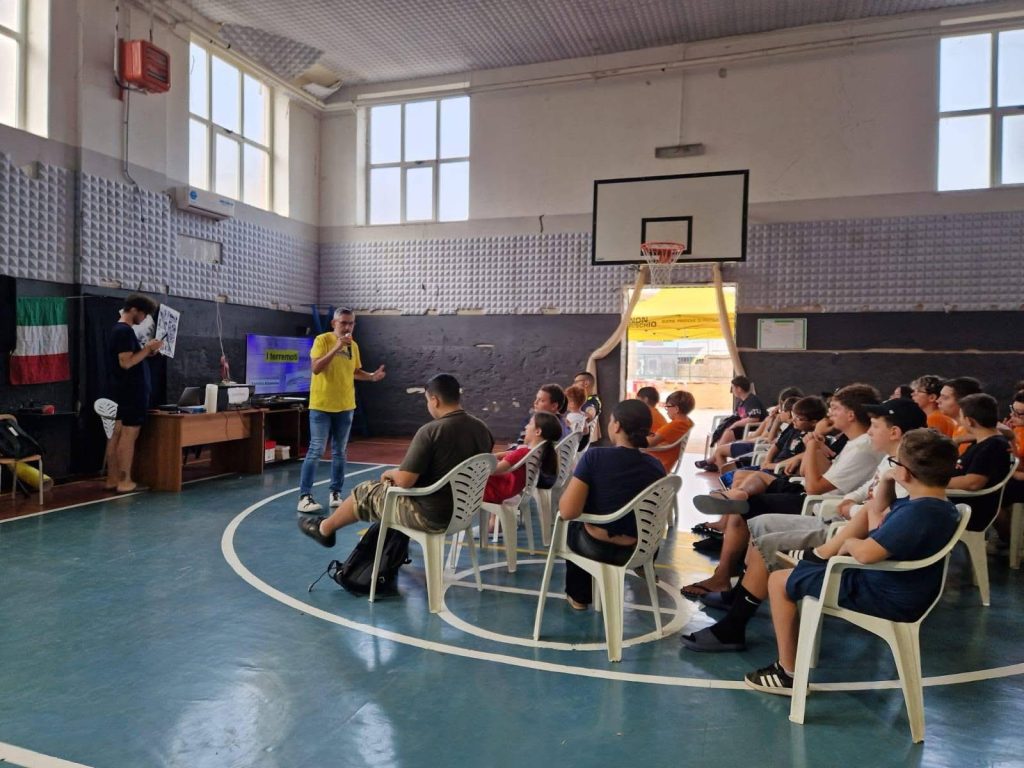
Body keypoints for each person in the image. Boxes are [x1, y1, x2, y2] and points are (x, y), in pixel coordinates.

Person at [680, 397, 925, 652]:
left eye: (875, 426)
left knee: (765, 539)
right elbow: (865, 492)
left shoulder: (901, 471)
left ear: (895, 433)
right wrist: (852, 502)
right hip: (836, 517)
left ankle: (734, 624)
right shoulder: (890, 461)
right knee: (759, 525)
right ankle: (737, 595)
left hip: (841, 532)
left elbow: (878, 515)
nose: (870, 431)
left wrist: (849, 506)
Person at [743, 429, 961, 694]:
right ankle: (815, 562)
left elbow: (866, 553)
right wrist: (886, 483)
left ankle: (787, 672)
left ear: (905, 473)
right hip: (898, 585)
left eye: (894, 465)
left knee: (778, 580)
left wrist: (847, 543)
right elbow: (875, 521)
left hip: (885, 593)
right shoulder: (935, 505)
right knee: (801, 568)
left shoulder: (918, 513)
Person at [682, 384, 881, 598]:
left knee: (745, 508)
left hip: (817, 505)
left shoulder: (862, 447)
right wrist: (815, 446)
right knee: (750, 488)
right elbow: (813, 473)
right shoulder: (852, 443)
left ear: (850, 415)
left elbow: (815, 486)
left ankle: (724, 577)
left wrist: (812, 443)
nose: (829, 414)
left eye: (835, 408)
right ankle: (734, 513)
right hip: (813, 495)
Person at [298, 374, 494, 546]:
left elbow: (404, 481)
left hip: (432, 517)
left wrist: (390, 472)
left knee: (365, 491)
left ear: (434, 400)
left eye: (427, 401)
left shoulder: (431, 431)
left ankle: (324, 529)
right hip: (465, 513)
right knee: (389, 494)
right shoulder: (482, 429)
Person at [556, 400, 665, 609]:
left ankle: (579, 597)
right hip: (639, 549)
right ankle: (645, 567)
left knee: (573, 524)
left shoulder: (595, 457)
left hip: (596, 548)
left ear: (616, 426)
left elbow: (568, 511)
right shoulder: (656, 466)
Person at [297, 308, 386, 514]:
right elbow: (316, 367)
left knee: (340, 452)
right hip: (321, 406)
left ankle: (335, 492)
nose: (347, 327)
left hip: (345, 407)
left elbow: (355, 371)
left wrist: (372, 376)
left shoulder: (353, 346)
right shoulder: (323, 340)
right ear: (334, 324)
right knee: (317, 449)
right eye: (343, 322)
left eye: (351, 323)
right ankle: (305, 496)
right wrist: (336, 347)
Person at [104, 294, 163, 493]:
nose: (145, 318)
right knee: (128, 435)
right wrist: (147, 349)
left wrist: (148, 351)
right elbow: (127, 362)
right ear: (135, 310)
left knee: (117, 434)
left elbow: (130, 358)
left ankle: (112, 479)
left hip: (123, 390)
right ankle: (124, 481)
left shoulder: (121, 331)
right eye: (144, 313)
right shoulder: (124, 332)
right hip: (131, 391)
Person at [947, 393, 1012, 533]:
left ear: (969, 421)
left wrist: (934, 482)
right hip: (958, 502)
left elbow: (973, 482)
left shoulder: (992, 447)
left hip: (969, 510)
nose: (959, 421)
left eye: (960, 416)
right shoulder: (984, 441)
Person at [483, 412, 561, 504]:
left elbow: (494, 470)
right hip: (508, 490)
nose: (526, 427)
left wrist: (478, 464)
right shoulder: (534, 453)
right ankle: (492, 519)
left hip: (495, 491)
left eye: (530, 423)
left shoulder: (522, 453)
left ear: (538, 431)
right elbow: (505, 456)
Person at [695, 375, 764, 469]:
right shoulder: (741, 401)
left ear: (739, 389)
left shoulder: (752, 400)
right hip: (743, 427)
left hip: (753, 428)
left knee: (728, 432)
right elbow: (738, 416)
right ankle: (715, 461)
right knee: (724, 431)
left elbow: (754, 419)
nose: (732, 390)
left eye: (733, 387)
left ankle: (712, 460)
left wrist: (735, 424)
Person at [644, 390, 695, 473]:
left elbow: (648, 443)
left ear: (676, 409)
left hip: (656, 463)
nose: (666, 410)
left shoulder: (675, 425)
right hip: (663, 462)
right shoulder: (687, 422)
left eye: (668, 407)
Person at [573, 371, 602, 449]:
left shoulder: (592, 401)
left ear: (586, 383)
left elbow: (591, 411)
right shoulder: (585, 400)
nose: (573, 385)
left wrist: (585, 417)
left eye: (576, 382)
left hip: (576, 446)